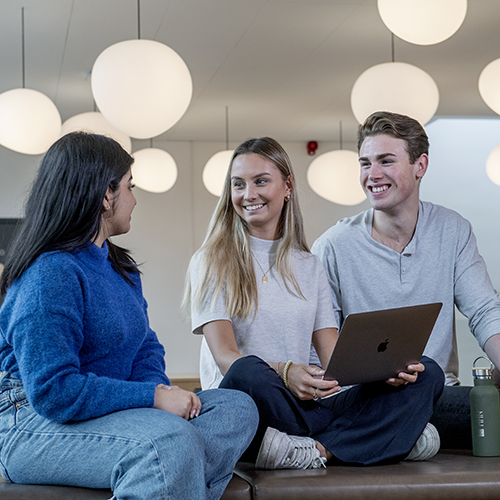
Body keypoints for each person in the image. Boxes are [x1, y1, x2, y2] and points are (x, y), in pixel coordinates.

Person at [0, 132, 258, 500]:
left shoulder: (121, 268)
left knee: (237, 408)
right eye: (129, 187)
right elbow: (54, 393)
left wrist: (159, 395)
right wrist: (153, 399)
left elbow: (145, 349)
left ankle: (159, 474)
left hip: (110, 413)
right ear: (106, 196)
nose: (134, 200)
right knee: (168, 443)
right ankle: (162, 463)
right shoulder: (50, 274)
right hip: (34, 423)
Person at [185, 136, 444, 469]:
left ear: (288, 185)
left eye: (260, 181)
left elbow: (337, 362)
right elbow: (225, 359)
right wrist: (286, 372)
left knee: (426, 372)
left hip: (308, 408)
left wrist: (386, 374)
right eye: (238, 184)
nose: (248, 194)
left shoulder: (309, 265)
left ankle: (316, 450)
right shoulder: (211, 260)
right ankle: (384, 439)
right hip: (251, 403)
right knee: (247, 370)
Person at [311, 111, 500, 448]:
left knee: (432, 377)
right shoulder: (332, 247)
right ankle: (401, 436)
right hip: (364, 400)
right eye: (365, 163)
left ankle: (407, 438)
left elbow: (485, 310)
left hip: (436, 395)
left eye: (386, 161)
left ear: (420, 165)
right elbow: (319, 348)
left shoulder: (452, 229)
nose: (373, 175)